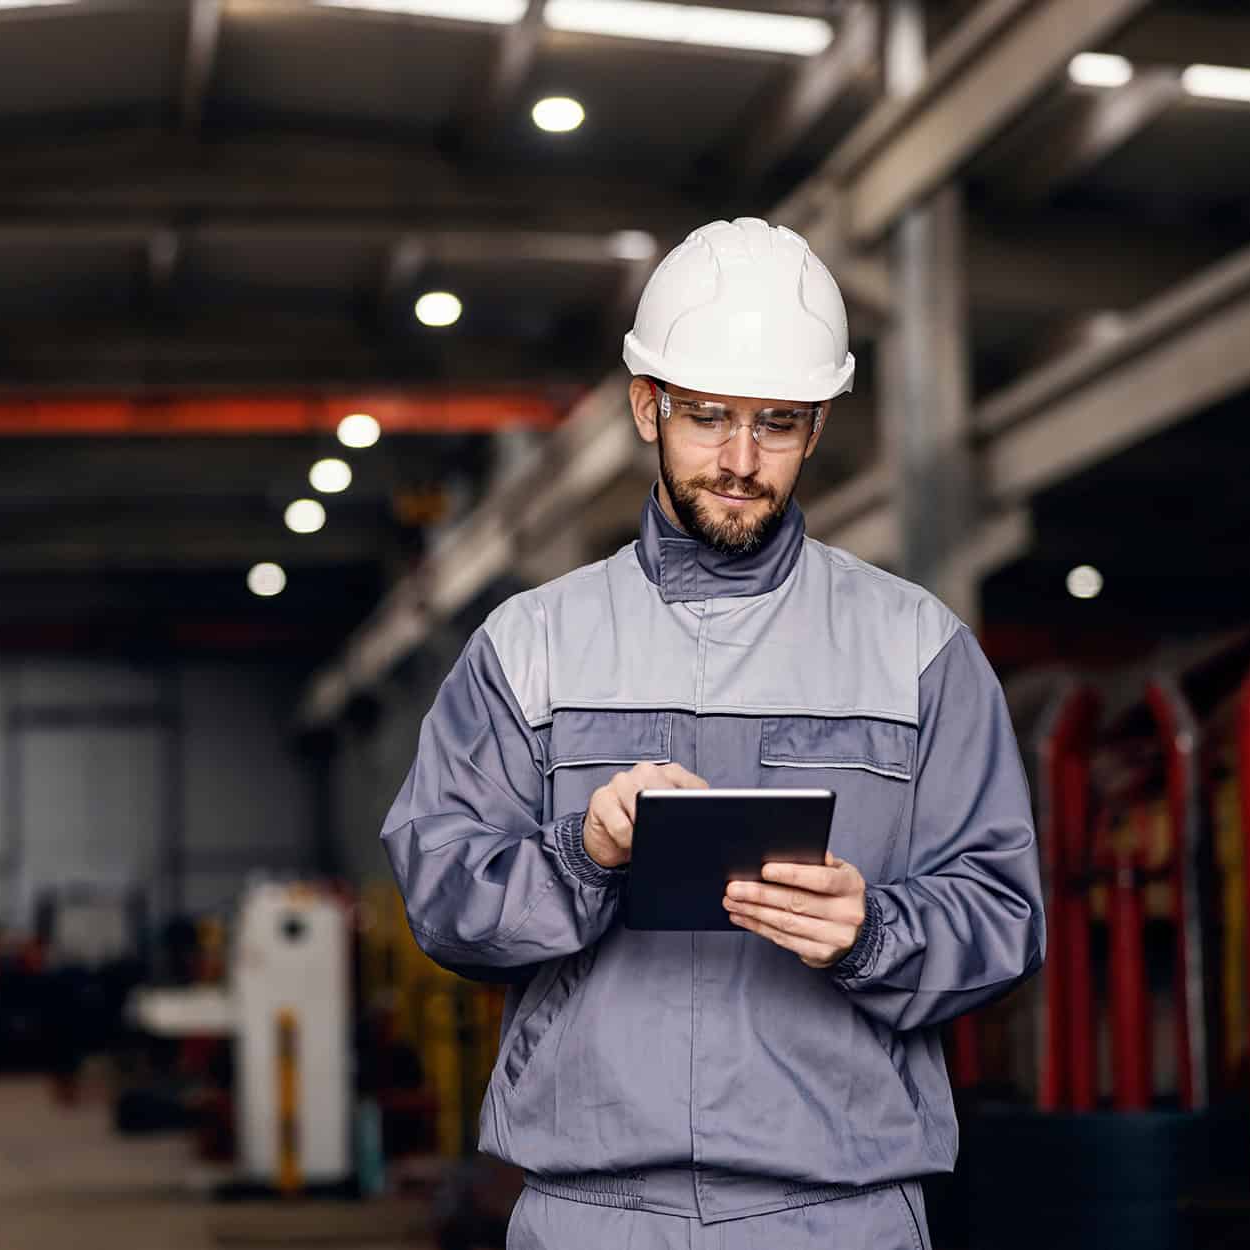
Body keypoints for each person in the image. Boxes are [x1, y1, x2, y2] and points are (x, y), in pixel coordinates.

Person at [381, 218, 1045, 1249]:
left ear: (817, 424)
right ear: (646, 404)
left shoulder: (917, 650)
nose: (739, 460)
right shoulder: (531, 646)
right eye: (706, 418)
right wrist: (583, 852)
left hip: (840, 1208)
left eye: (776, 423)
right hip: (590, 1210)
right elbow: (443, 892)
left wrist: (872, 929)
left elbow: (999, 912)